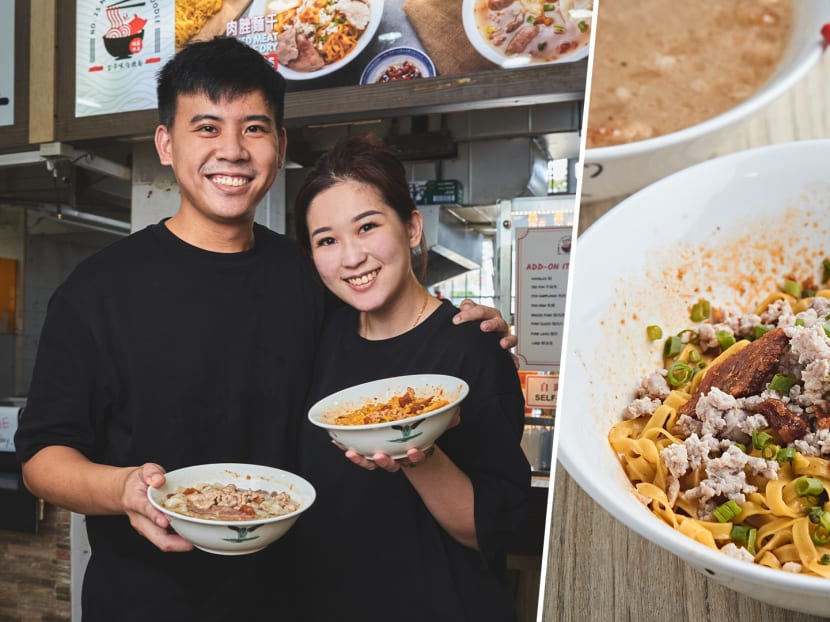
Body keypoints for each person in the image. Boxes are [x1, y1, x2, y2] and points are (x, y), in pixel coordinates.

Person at [13, 38, 515, 621]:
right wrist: (122, 488)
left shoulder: (312, 277)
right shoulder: (97, 290)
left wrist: (467, 326)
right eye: (206, 127)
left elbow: (388, 341)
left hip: (295, 597)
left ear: (278, 146)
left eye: (253, 129)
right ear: (166, 145)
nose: (232, 151)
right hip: (148, 602)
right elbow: (40, 461)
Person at [292, 136, 530, 621]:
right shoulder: (320, 337)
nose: (352, 257)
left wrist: (416, 456)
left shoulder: (473, 343)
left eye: (367, 226)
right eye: (327, 240)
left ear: (412, 227)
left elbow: (491, 529)